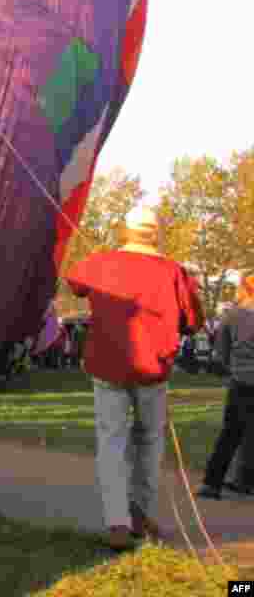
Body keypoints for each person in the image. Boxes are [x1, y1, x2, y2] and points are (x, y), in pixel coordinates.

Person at [67, 206, 204, 551]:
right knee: (149, 442)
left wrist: (103, 265)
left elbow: (74, 281)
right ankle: (139, 515)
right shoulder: (173, 271)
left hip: (108, 365)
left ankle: (118, 522)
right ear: (155, 234)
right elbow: (193, 320)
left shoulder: (103, 262)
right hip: (152, 368)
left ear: (125, 231)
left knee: (111, 443)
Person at [197, 274, 254, 499]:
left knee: (231, 433)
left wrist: (234, 366)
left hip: (241, 381)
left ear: (245, 289)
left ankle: (212, 483)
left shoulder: (233, 316)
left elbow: (221, 353)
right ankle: (245, 480)